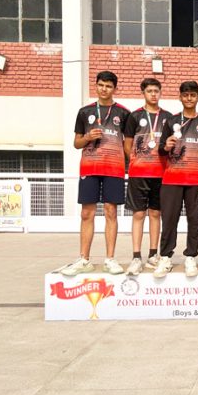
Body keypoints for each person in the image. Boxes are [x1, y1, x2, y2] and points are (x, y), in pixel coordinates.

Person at [62, 70, 130, 276]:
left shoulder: (124, 114)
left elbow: (128, 146)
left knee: (111, 212)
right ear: (96, 86)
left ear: (115, 89)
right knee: (86, 213)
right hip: (90, 167)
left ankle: (110, 258)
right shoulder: (85, 112)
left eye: (108, 86)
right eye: (101, 85)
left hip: (114, 168)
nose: (104, 89)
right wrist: (88, 137)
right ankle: (84, 259)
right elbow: (76, 143)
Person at [153, 81, 198, 278]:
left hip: (195, 180)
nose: (189, 98)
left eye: (193, 95)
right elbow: (160, 148)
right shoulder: (170, 121)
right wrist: (166, 146)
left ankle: (191, 256)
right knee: (169, 220)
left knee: (194, 220)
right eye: (185, 95)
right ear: (180, 97)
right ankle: (166, 257)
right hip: (171, 179)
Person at [123, 78, 172, 275]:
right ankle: (136, 256)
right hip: (139, 173)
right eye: (149, 91)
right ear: (143, 92)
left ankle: (153, 254)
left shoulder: (169, 117)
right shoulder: (134, 116)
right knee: (138, 214)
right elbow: (127, 143)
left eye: (156, 91)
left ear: (160, 92)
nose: (153, 94)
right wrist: (134, 161)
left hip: (161, 173)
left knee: (155, 213)